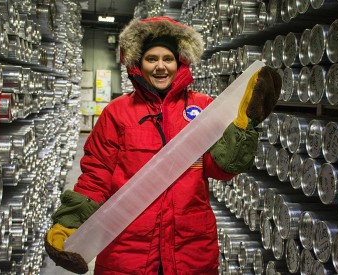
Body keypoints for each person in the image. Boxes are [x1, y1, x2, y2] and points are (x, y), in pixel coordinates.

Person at [45, 16, 281, 274]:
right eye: (151, 59)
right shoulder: (118, 112)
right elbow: (97, 173)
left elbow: (221, 170)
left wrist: (245, 127)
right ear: (139, 63)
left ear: (179, 62)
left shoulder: (202, 107)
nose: (160, 67)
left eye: (167, 59)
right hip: (128, 247)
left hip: (189, 247)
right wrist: (69, 221)